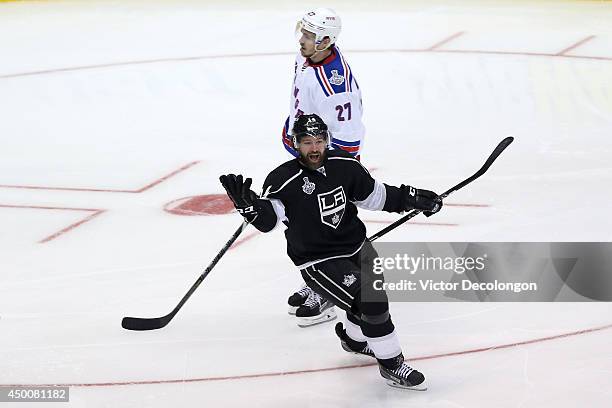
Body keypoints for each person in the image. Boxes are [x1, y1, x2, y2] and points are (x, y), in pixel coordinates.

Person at [220, 114, 442, 390]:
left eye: (319, 141)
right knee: (371, 301)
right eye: (307, 142)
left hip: (358, 247)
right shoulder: (283, 180)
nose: (314, 148)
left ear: (327, 140)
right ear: (295, 144)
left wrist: (411, 197)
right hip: (319, 260)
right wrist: (252, 209)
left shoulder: (345, 165)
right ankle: (392, 366)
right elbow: (270, 220)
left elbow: (376, 196)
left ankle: (354, 340)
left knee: (368, 300)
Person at [282, 7, 366, 324]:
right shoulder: (307, 57)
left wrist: (334, 176)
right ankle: (315, 278)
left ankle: (331, 293)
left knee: (326, 225)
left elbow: (348, 138)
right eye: (302, 32)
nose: (301, 39)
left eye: (308, 35)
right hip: (307, 151)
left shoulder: (336, 86)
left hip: (326, 162)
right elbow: (301, 101)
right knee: (303, 224)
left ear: (326, 40)